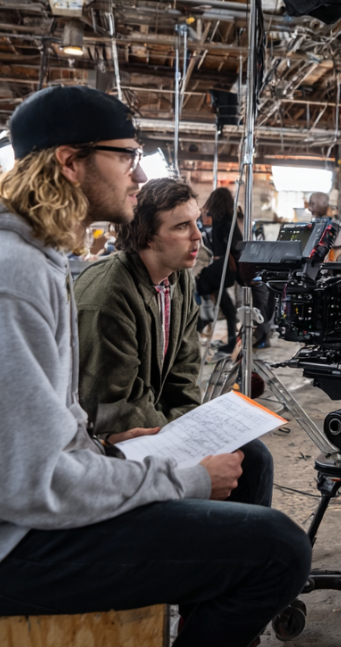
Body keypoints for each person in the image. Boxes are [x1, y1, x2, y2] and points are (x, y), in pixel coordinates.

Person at [0, 85, 311, 647]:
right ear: (70, 162)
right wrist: (185, 477)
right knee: (278, 550)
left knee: (248, 462)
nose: (137, 174)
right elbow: (27, 485)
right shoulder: (3, 274)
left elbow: (28, 443)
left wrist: (102, 448)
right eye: (126, 156)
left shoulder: (27, 257)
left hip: (12, 511)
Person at [75, 178, 273, 508]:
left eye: (196, 222)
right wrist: (182, 441)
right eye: (182, 226)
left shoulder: (177, 277)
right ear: (146, 236)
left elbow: (185, 369)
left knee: (253, 455)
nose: (197, 236)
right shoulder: (107, 297)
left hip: (155, 422)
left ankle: (234, 550)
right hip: (111, 436)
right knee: (243, 466)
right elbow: (112, 404)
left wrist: (189, 426)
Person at [199, 188, 274, 353]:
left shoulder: (208, 219)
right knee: (255, 299)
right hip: (232, 264)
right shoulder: (227, 219)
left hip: (223, 264)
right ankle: (255, 337)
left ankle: (230, 335)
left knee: (229, 301)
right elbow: (236, 243)